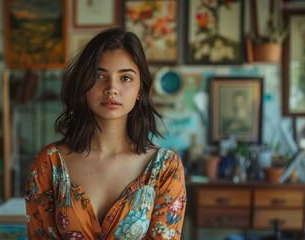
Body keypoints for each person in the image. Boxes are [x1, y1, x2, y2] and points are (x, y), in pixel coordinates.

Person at [25, 27, 186, 240]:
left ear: (140, 89)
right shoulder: (49, 164)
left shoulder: (165, 168)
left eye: (126, 78)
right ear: (83, 83)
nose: (112, 88)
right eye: (99, 75)